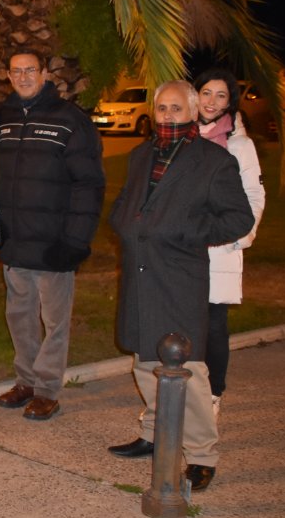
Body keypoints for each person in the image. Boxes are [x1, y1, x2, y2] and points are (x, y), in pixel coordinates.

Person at [107, 80, 254, 492]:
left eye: (176, 108)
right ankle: (156, 435)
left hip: (179, 277)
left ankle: (203, 454)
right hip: (140, 274)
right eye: (162, 108)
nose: (167, 115)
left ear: (192, 112)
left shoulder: (213, 161)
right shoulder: (141, 155)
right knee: (144, 360)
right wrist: (122, 223)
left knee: (188, 371)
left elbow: (239, 218)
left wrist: (188, 231)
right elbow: (125, 202)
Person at [0, 49, 105, 421]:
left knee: (55, 321)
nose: (23, 76)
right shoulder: (3, 118)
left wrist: (76, 241)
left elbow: (89, 184)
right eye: (16, 70)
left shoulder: (70, 120)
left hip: (55, 242)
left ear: (44, 73)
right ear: (8, 75)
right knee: (19, 316)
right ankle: (25, 382)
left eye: (30, 70)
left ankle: (47, 389)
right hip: (16, 242)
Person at [193, 68, 266, 421]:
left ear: (230, 102)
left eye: (220, 95)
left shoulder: (239, 145)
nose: (211, 102)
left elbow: (254, 194)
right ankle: (184, 394)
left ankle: (213, 394)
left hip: (219, 245)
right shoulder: (181, 136)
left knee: (213, 325)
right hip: (182, 247)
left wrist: (240, 235)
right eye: (206, 93)